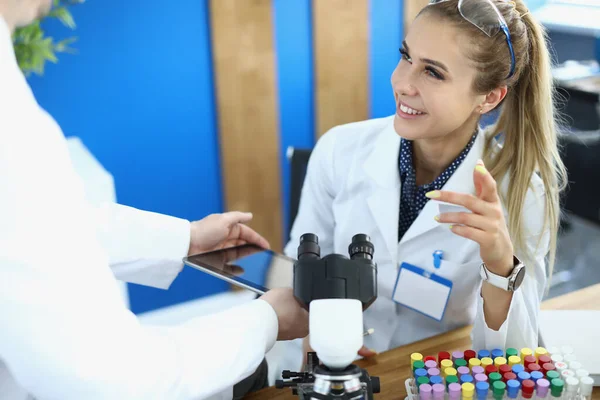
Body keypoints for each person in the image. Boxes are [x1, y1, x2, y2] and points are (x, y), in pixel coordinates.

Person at [0, 1, 308, 399]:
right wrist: (266, 321)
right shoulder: (14, 133)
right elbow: (106, 378)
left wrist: (184, 239)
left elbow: (37, 231)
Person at [286, 0, 566, 359]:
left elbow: (513, 358)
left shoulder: (521, 196)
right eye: (406, 56)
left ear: (488, 97)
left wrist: (500, 265)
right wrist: (316, 325)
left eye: (433, 73)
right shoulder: (339, 149)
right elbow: (299, 266)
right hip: (332, 363)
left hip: (430, 375)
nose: (402, 83)